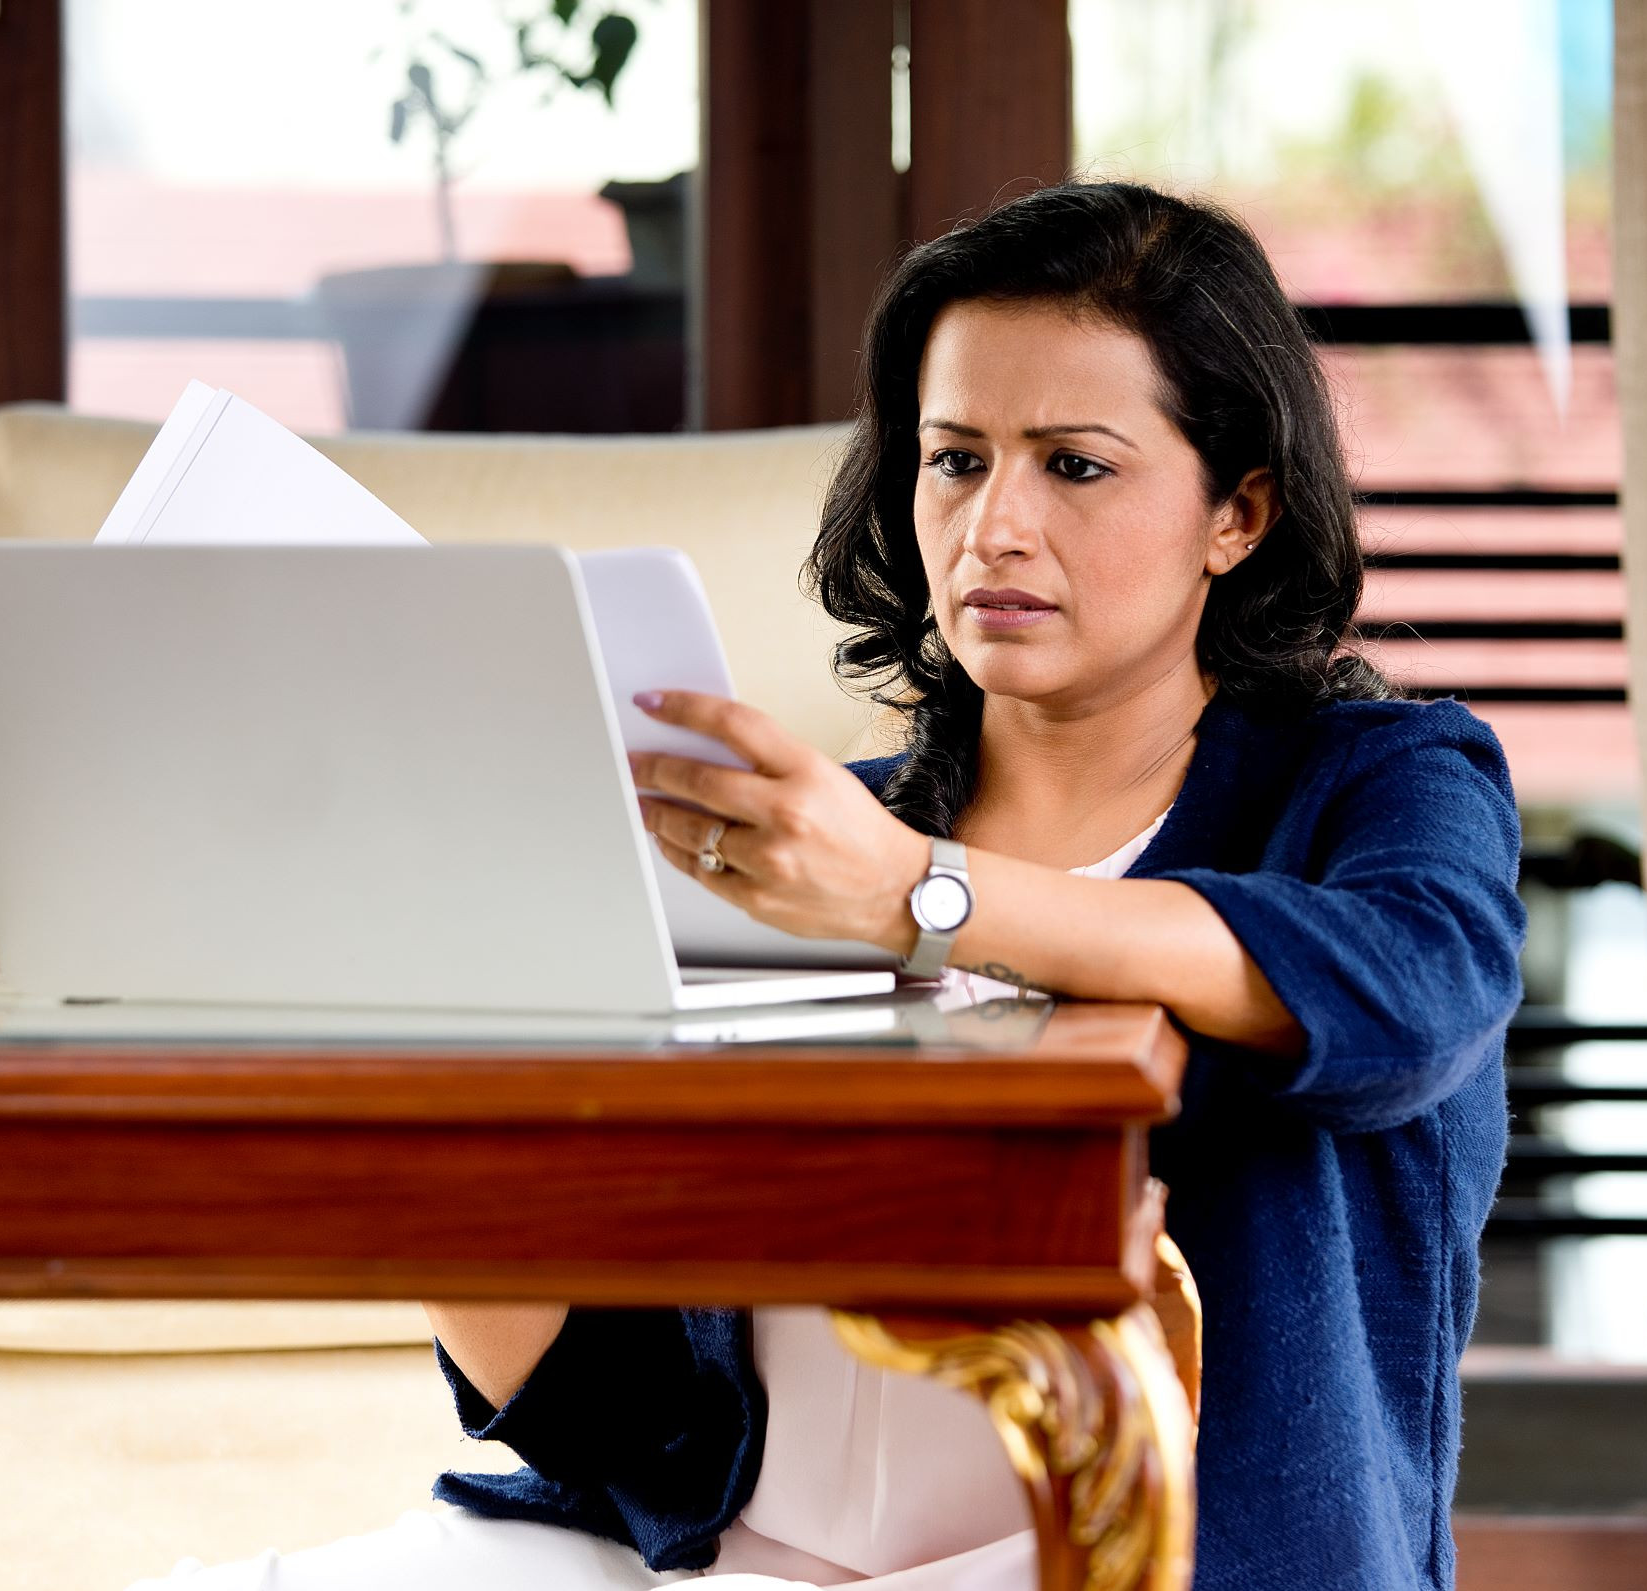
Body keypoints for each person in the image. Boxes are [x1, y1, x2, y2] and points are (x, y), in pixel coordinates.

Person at [134, 180, 1524, 1591]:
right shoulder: (818, 836)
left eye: (1075, 465)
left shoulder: (1377, 782)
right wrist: (425, 1121)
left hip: (1127, 1563)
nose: (995, 527)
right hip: (724, 1556)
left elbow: (1409, 996)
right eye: (956, 459)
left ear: (1238, 511)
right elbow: (624, 1416)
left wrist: (916, 897)